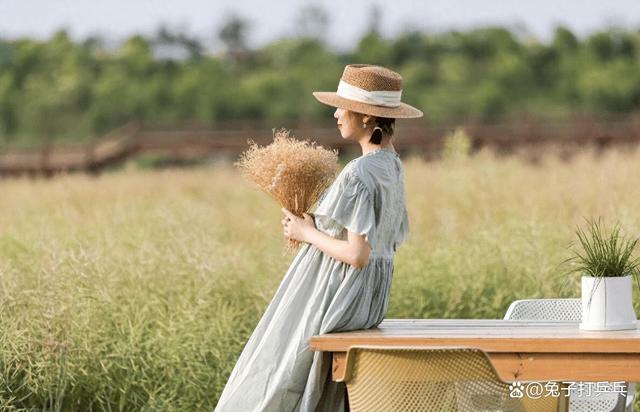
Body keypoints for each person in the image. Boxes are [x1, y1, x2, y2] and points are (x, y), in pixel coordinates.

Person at [214, 64, 423, 412]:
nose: (337, 114)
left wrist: (306, 232)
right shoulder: (392, 165)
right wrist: (316, 226)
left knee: (275, 369)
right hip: (368, 299)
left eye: (343, 106)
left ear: (367, 117)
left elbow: (358, 254)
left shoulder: (359, 172)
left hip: (337, 293)